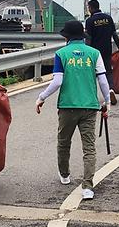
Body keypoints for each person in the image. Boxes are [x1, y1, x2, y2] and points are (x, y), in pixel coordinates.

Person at [36, 20, 110, 200]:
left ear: (66, 37)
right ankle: (87, 187)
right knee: (89, 148)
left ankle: (65, 175)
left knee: (64, 142)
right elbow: (103, 80)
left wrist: (42, 97)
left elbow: (57, 82)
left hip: (67, 107)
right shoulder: (94, 53)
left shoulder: (61, 54)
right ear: (83, 36)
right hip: (89, 107)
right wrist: (106, 102)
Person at [84, 0, 119, 105]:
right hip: (107, 50)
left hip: (94, 52)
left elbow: (88, 38)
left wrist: (86, 51)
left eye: (89, 7)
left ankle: (92, 96)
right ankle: (111, 89)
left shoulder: (90, 21)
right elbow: (114, 34)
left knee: (92, 73)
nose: (88, 9)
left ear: (91, 8)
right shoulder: (108, 18)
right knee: (108, 71)